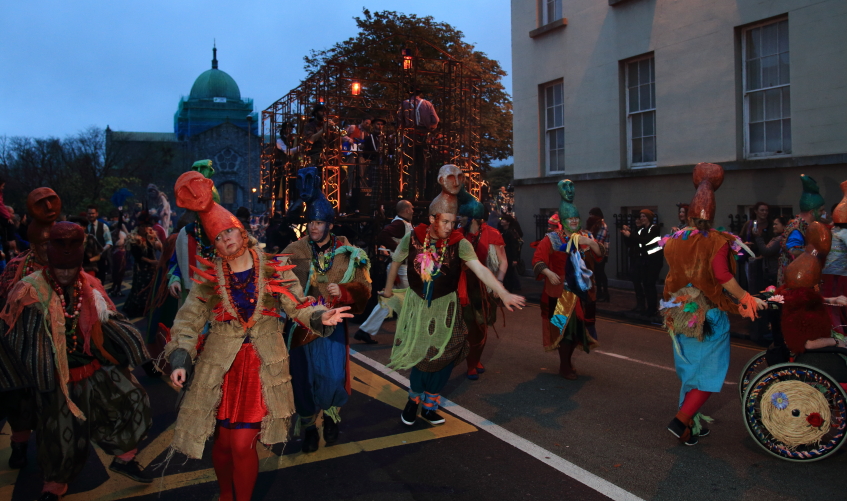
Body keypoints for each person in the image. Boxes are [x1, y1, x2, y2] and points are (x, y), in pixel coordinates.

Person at [164, 171, 352, 501]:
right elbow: (188, 321)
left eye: (230, 232)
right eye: (219, 238)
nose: (227, 240)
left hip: (260, 366)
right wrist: (180, 356)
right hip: (219, 367)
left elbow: (297, 305)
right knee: (222, 445)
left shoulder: (273, 267)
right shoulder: (209, 279)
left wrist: (322, 315)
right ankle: (226, 494)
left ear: (242, 231)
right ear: (215, 246)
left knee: (241, 443)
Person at [0, 222, 153, 500]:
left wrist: (135, 350)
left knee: (132, 399)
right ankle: (54, 486)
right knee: (59, 436)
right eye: (61, 266)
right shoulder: (29, 291)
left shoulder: (90, 286)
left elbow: (111, 322)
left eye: (72, 264)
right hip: (55, 380)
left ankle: (125, 459)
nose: (67, 273)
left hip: (94, 372)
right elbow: (14, 338)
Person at [382, 173, 524, 426]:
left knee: (446, 354)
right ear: (432, 219)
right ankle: (413, 400)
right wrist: (388, 289)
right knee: (423, 356)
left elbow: (480, 269)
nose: (450, 227)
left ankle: (429, 405)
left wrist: (502, 292)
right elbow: (396, 259)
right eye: (445, 221)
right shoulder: (413, 236)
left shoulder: (459, 243)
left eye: (453, 221)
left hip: (448, 307)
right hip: (418, 306)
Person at [661, 163, 766, 446]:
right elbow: (722, 276)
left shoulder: (673, 241)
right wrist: (745, 298)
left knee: (689, 371)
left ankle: (690, 427)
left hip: (679, 312)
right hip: (707, 314)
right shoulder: (716, 241)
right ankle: (681, 420)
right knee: (709, 373)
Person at [282, 173, 371, 452]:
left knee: (332, 376)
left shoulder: (349, 252)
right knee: (303, 378)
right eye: (310, 222)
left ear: (330, 224)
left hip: (332, 326)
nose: (313, 227)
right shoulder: (294, 250)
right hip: (301, 326)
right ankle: (308, 426)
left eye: (318, 222)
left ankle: (332, 416)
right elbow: (276, 279)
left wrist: (344, 292)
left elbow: (366, 288)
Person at [0, 187, 61, 473]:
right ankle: (19, 445)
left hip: (59, 348)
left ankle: (54, 452)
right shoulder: (17, 266)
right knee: (19, 402)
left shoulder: (68, 264)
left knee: (54, 402)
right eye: (43, 243)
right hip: (20, 346)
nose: (49, 249)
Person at [532, 180, 604, 378]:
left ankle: (567, 361)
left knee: (578, 331)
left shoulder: (586, 235)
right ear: (562, 220)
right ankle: (564, 365)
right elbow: (538, 260)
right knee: (565, 330)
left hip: (583, 292)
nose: (573, 222)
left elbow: (600, 254)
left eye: (575, 218)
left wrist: (589, 241)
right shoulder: (552, 239)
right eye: (569, 219)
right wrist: (548, 273)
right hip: (560, 293)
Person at [458, 191, 507, 380]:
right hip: (464, 287)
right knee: (469, 326)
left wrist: (499, 284)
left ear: (473, 218)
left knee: (482, 325)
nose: (459, 219)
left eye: (462, 216)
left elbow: (502, 262)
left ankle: (475, 359)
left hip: (485, 287)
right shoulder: (458, 234)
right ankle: (471, 363)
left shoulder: (492, 234)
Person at [357, 199, 414, 342]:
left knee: (390, 301)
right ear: (406, 210)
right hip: (401, 269)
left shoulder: (401, 223)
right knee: (409, 299)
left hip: (399, 267)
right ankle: (407, 333)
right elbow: (384, 234)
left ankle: (365, 330)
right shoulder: (400, 224)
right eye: (412, 208)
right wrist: (399, 249)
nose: (413, 211)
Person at [780, 175, 828, 286]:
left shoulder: (806, 226)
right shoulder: (797, 228)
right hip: (795, 281)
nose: (823, 213)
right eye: (821, 210)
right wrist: (816, 252)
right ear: (812, 212)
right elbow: (793, 250)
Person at [397, 88, 439, 198]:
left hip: (409, 135)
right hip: (423, 136)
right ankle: (422, 193)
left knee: (410, 164)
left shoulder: (404, 104)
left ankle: (409, 192)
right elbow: (435, 120)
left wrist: (404, 127)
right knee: (422, 165)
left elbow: (399, 119)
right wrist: (429, 128)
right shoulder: (427, 104)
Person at [621, 209, 663, 317]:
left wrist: (630, 235)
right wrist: (626, 235)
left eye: (644, 216)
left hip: (654, 261)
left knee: (650, 284)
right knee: (646, 285)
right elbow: (632, 243)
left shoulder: (654, 228)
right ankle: (648, 308)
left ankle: (653, 309)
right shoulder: (641, 230)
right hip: (645, 261)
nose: (642, 218)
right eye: (641, 216)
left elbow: (645, 240)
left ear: (649, 217)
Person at [741, 202, 772, 342]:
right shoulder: (749, 225)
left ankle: (763, 324)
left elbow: (770, 246)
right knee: (751, 291)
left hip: (764, 264)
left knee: (764, 293)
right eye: (762, 210)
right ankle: (753, 321)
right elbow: (739, 239)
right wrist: (744, 245)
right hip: (751, 261)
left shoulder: (770, 226)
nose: (764, 213)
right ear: (756, 211)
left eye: (766, 210)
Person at [123, 213, 161, 318]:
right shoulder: (134, 238)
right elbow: (138, 256)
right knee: (139, 289)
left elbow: (158, 246)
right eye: (142, 226)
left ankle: (148, 307)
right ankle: (137, 309)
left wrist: (161, 247)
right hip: (141, 268)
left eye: (145, 226)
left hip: (152, 268)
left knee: (151, 288)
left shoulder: (151, 235)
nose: (144, 228)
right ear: (138, 227)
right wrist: (152, 262)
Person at [822, 181, 847, 334]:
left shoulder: (833, 231)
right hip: (838, 278)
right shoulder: (841, 232)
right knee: (836, 310)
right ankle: (839, 339)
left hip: (834, 276)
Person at [586, 207, 610, 302]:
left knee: (600, 273)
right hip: (593, 252)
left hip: (601, 253)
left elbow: (599, 240)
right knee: (596, 273)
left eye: (593, 215)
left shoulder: (602, 225)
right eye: (590, 214)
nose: (591, 217)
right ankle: (599, 292)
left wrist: (589, 242)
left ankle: (605, 293)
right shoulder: (593, 224)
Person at [86, 205, 113, 283]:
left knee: (100, 280)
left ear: (96, 214)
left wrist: (101, 251)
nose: (91, 215)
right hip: (88, 260)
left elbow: (109, 242)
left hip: (100, 258)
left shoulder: (103, 226)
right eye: (89, 213)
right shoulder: (84, 226)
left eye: (93, 213)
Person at [499, 213, 523, 293]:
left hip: (509, 256)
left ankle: (508, 290)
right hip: (504, 255)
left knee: (509, 275)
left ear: (508, 222)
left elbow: (513, 247)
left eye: (504, 220)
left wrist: (514, 259)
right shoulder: (503, 231)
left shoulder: (510, 233)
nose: (502, 221)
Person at [109, 213, 128, 297]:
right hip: (118, 254)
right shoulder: (115, 232)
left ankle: (116, 288)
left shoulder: (119, 232)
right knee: (118, 272)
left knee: (119, 272)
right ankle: (116, 289)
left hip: (120, 253)